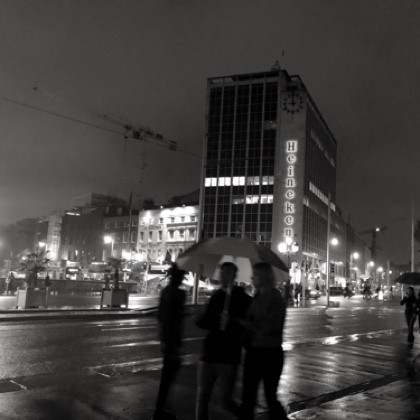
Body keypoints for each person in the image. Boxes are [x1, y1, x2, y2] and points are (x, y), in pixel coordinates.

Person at [195, 262, 251, 420]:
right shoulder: (217, 296)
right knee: (202, 396)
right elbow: (208, 322)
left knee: (226, 401)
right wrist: (199, 318)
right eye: (221, 273)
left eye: (226, 273)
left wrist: (231, 322)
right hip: (209, 353)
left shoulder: (243, 298)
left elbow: (248, 326)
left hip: (228, 355)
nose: (222, 276)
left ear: (233, 275)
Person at [239, 262, 288, 420]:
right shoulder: (257, 296)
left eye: (255, 275)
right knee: (248, 397)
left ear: (263, 277)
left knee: (269, 397)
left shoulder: (275, 299)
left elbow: (273, 327)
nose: (252, 278)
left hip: (270, 353)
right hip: (254, 351)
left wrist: (250, 324)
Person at [152, 263, 187, 420]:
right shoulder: (180, 294)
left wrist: (162, 337)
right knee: (170, 373)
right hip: (173, 338)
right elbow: (177, 320)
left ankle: (162, 406)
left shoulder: (165, 291)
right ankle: (161, 408)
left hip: (166, 338)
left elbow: (161, 316)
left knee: (168, 373)